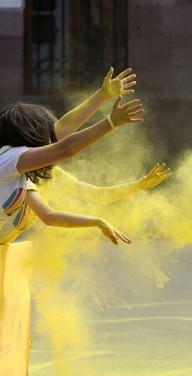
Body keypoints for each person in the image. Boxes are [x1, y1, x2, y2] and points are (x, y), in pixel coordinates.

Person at [0, 85, 145, 375]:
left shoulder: (29, 180)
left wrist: (102, 96)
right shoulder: (8, 159)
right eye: (46, 135)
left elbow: (62, 134)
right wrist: (111, 122)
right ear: (29, 137)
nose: (53, 137)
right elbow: (65, 146)